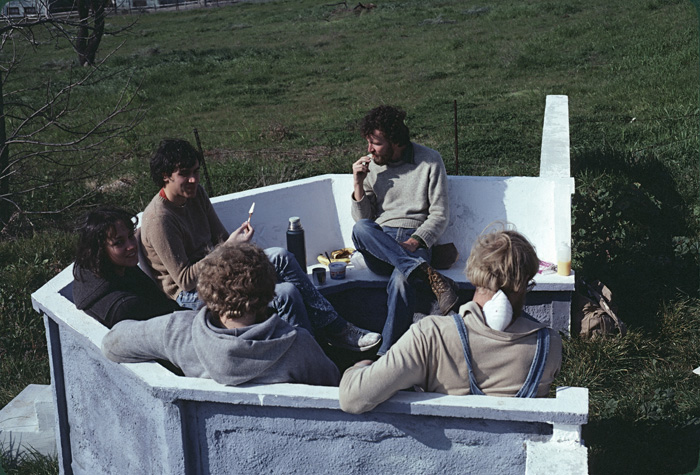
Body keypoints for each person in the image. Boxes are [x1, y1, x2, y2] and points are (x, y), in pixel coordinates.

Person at [140, 138, 380, 351]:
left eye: (195, 171)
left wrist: (237, 244)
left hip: (218, 269)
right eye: (184, 174)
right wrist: (227, 249)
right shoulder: (160, 219)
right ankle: (313, 349)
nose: (193, 179)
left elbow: (221, 238)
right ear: (165, 175)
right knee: (286, 293)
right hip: (190, 294)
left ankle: (332, 330)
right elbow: (185, 280)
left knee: (281, 256)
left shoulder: (195, 194)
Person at [339, 227, 563, 414]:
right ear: (524, 284)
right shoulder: (549, 345)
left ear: (474, 274)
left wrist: (360, 367)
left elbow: (353, 399)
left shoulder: (430, 335)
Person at [102, 243, 340, 387]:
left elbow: (112, 344)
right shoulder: (299, 345)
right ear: (269, 291)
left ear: (206, 289)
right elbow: (333, 390)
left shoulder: (177, 332)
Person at [350, 105, 458, 355]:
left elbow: (439, 214)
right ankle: (425, 273)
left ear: (395, 141)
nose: (369, 149)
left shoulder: (430, 160)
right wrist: (357, 182)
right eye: (368, 142)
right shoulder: (371, 166)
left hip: (414, 241)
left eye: (375, 143)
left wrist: (415, 242)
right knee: (361, 228)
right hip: (381, 242)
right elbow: (364, 218)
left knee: (401, 281)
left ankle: (386, 357)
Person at [72, 207, 182, 328]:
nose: (131, 246)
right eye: (118, 243)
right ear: (100, 251)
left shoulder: (110, 267)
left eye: (130, 236)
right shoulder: (124, 306)